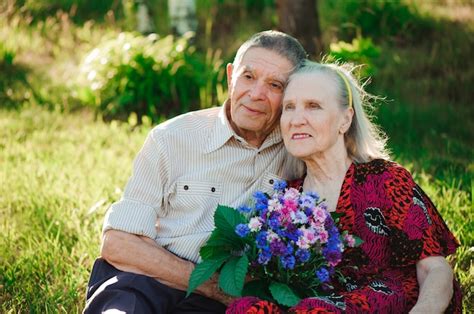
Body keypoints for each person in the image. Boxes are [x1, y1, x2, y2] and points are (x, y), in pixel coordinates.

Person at [83, 30, 307, 313]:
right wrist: (209, 284)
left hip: (212, 303)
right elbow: (118, 244)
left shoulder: (298, 150)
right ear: (230, 77)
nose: (256, 94)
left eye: (275, 85)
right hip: (145, 277)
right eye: (248, 77)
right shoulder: (171, 138)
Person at [227, 61, 462, 313]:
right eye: (289, 107)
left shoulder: (385, 180)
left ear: (345, 119)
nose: (296, 120)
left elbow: (434, 269)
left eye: (313, 106)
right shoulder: (288, 201)